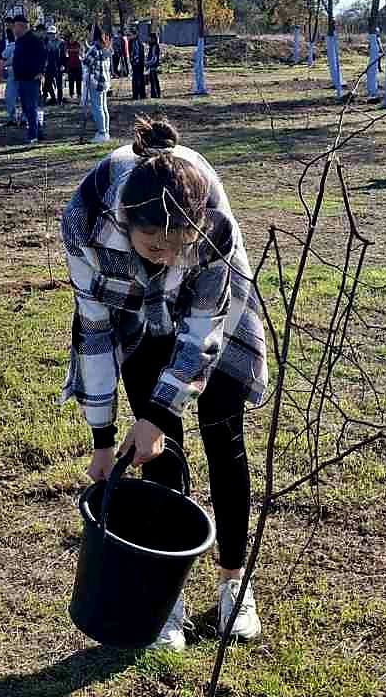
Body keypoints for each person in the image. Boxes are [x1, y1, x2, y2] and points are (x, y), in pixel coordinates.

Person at [60, 115, 269, 651]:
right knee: (159, 450)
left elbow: (203, 332)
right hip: (131, 309)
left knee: (223, 434)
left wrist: (153, 412)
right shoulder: (86, 220)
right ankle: (166, 592)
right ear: (127, 221)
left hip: (215, 312)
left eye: (176, 244)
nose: (164, 252)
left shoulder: (212, 226)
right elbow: (96, 328)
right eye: (152, 241)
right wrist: (105, 440)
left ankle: (233, 583)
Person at [10, 12, 47, 144]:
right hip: (21, 78)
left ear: (21, 26)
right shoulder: (19, 41)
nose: (14, 30)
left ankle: (32, 136)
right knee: (26, 108)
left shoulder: (34, 40)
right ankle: (38, 131)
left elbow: (43, 56)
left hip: (31, 79)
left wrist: (40, 72)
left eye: (15, 27)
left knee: (31, 107)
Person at [83, 24, 111, 145]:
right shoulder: (104, 47)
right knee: (103, 108)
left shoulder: (94, 49)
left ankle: (101, 132)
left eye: (89, 33)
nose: (88, 35)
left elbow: (86, 62)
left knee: (97, 108)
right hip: (104, 82)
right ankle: (105, 131)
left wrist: (82, 54)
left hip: (96, 82)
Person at [41, 21, 65, 105]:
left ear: (56, 33)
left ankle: (60, 101)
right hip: (48, 67)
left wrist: (63, 65)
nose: (51, 35)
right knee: (47, 84)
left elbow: (64, 55)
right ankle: (49, 98)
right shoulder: (45, 42)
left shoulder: (61, 42)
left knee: (59, 85)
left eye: (53, 33)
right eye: (50, 33)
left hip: (58, 66)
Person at [63, 32, 83, 103]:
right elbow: (65, 53)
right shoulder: (66, 44)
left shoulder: (78, 44)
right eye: (71, 38)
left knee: (78, 81)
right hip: (70, 66)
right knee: (71, 81)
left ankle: (79, 94)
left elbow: (80, 51)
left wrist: (71, 50)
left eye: (73, 38)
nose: (72, 39)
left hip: (78, 65)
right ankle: (71, 95)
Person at [130, 24, 147, 101]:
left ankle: (140, 94)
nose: (129, 36)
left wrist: (135, 60)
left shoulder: (138, 42)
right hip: (135, 63)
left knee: (139, 79)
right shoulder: (132, 42)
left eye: (131, 34)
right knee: (136, 79)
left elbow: (138, 53)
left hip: (139, 64)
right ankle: (136, 94)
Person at [145, 27, 162, 100]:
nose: (149, 40)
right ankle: (155, 94)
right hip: (151, 66)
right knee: (153, 81)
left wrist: (147, 63)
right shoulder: (152, 46)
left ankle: (155, 94)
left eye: (150, 38)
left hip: (153, 66)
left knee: (154, 81)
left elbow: (154, 58)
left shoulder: (155, 46)